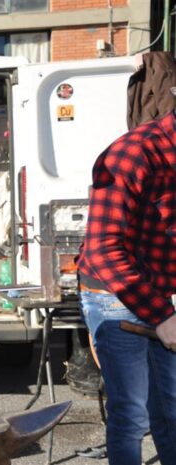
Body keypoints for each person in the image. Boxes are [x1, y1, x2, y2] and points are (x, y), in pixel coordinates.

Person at [77, 109, 176, 465]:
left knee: (171, 411)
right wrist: (163, 316)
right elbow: (104, 249)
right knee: (132, 416)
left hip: (160, 293)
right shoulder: (131, 155)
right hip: (114, 295)